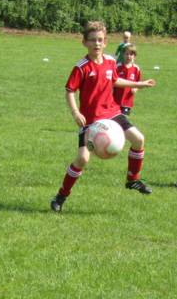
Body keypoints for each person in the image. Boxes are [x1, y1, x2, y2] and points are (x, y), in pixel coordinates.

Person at [50, 21, 156, 213]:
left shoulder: (109, 61)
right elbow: (69, 91)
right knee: (82, 159)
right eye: (92, 40)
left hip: (113, 113)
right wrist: (76, 112)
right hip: (90, 120)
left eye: (100, 40)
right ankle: (61, 195)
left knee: (139, 139)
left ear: (105, 42)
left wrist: (140, 84)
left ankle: (133, 180)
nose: (96, 44)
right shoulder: (81, 67)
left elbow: (115, 80)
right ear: (84, 42)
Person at [114, 43, 141, 115]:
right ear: (123, 55)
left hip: (127, 101)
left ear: (134, 56)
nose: (128, 56)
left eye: (131, 54)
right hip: (115, 100)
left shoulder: (136, 69)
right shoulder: (117, 67)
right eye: (127, 54)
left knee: (124, 119)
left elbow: (138, 82)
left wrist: (135, 89)